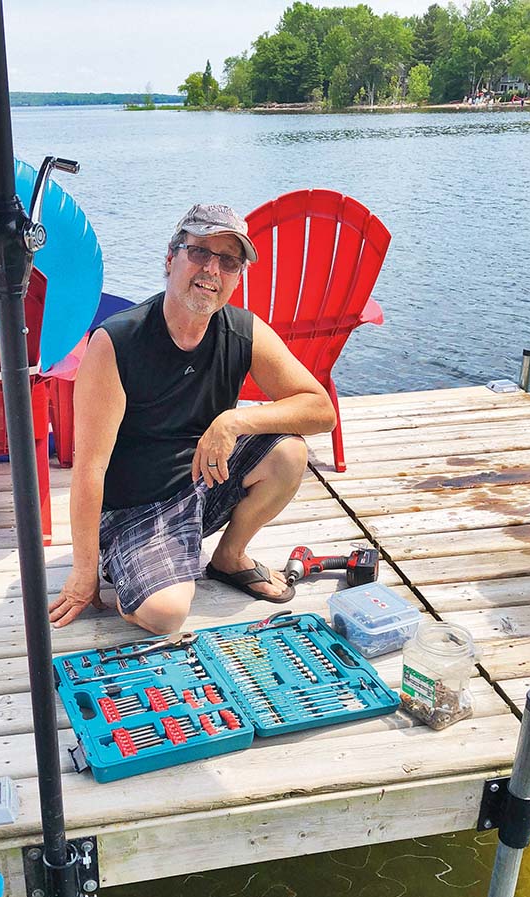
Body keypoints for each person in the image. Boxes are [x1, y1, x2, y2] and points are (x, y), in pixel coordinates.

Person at [48, 203, 336, 635]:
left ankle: (229, 557)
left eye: (229, 261)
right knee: (166, 615)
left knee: (290, 452)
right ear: (171, 258)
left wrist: (232, 422)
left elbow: (320, 410)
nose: (212, 270)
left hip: (204, 481)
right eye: (200, 252)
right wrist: (83, 573)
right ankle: (128, 566)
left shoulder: (243, 331)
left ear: (238, 276)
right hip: (135, 508)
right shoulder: (116, 342)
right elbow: (89, 469)